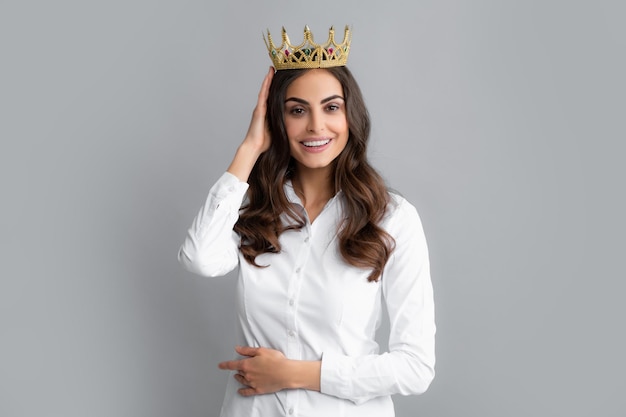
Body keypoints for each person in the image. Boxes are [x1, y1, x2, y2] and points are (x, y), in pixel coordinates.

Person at [178, 26, 435, 417]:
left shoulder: (393, 218)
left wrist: (296, 375)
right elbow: (199, 259)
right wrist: (249, 149)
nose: (316, 126)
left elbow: (415, 368)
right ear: (277, 120)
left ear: (351, 115)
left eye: (331, 107)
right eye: (298, 110)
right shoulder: (255, 208)